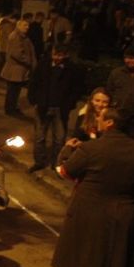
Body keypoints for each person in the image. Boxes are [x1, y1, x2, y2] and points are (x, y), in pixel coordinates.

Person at [49, 109, 134, 267]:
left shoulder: (92, 148)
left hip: (88, 210)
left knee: (74, 258)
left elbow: (66, 172)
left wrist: (67, 150)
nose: (97, 119)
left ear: (109, 123)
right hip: (121, 212)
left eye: (101, 117)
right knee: (106, 259)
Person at [27, 43, 84, 172]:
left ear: (66, 55)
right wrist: (34, 100)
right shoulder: (44, 65)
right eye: (55, 54)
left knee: (59, 138)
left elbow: (76, 89)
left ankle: (56, 163)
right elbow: (34, 82)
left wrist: (69, 104)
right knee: (40, 137)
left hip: (60, 108)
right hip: (43, 106)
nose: (56, 58)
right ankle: (39, 162)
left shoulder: (72, 69)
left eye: (60, 55)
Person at [1, 19, 35, 116]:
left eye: (28, 25)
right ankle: (10, 109)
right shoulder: (16, 37)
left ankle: (11, 107)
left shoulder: (21, 37)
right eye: (25, 25)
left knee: (14, 91)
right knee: (13, 92)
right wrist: (29, 62)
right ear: (18, 26)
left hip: (17, 70)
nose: (27, 27)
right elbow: (17, 54)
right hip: (15, 70)